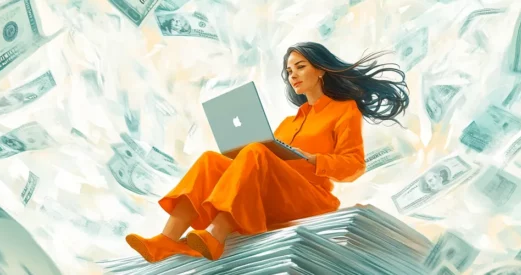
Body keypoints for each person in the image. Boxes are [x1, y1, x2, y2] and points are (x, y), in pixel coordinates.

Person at [124, 42, 410, 263]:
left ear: (321, 69)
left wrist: (313, 159)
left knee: (257, 152)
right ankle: (166, 240)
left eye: (300, 67)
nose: (293, 75)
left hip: (312, 199)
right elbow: (260, 164)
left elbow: (354, 166)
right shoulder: (288, 122)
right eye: (289, 71)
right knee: (213, 160)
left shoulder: (343, 110)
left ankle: (216, 235)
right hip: (274, 196)